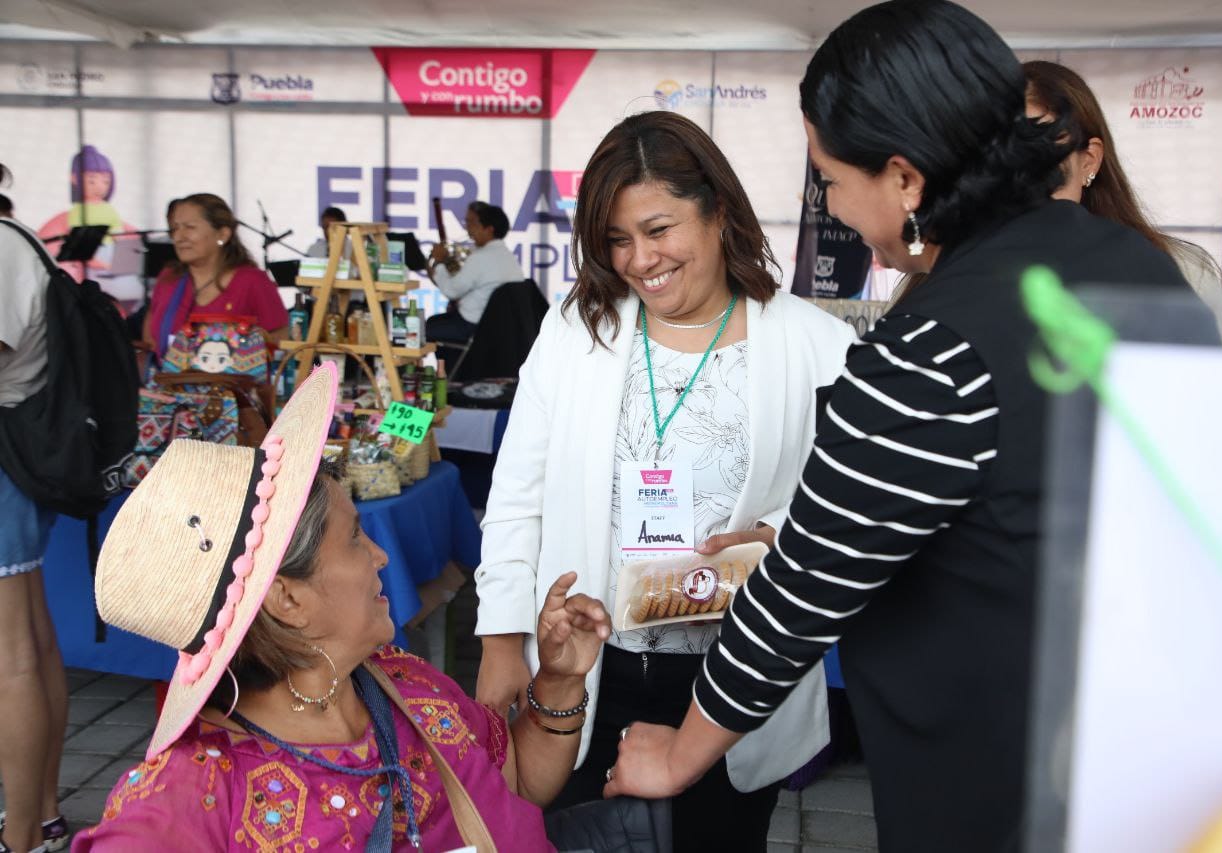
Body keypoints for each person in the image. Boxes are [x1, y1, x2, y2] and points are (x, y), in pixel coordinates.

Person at [603, 3, 1195, 851]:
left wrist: (680, 752)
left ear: (907, 178)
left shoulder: (933, 345)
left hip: (1003, 772)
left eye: (833, 181)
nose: (835, 207)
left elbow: (800, 594)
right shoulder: (1135, 265)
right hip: (1141, 749)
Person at [474, 110, 855, 852]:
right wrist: (499, 637)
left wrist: (776, 538)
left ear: (717, 212)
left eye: (659, 229)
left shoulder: (814, 344)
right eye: (617, 239)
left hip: (732, 682)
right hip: (583, 666)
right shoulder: (577, 329)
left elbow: (848, 511)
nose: (639, 259)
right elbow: (517, 486)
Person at [72, 362, 612, 851]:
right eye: (356, 538)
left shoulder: (406, 686)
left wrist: (560, 683)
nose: (380, 556)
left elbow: (516, 786)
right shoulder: (195, 794)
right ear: (287, 597)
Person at [1024, 60, 1222, 344]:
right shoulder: (965, 275)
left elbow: (1214, 382)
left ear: (1089, 160)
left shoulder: (1184, 271)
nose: (1021, 180)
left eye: (1042, 155)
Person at [0, 163, 71, 853]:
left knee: (11, 654)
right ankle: (41, 811)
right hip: (16, 456)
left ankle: (20, 833)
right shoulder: (14, 241)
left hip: (6, 458)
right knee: (30, 642)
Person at [142, 193, 288, 355]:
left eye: (190, 227)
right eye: (175, 228)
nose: (178, 237)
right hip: (170, 379)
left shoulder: (252, 281)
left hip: (234, 379)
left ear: (222, 235)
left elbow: (282, 336)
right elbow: (151, 337)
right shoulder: (169, 278)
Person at [425, 202, 523, 344]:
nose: (468, 228)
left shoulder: (481, 257)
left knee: (422, 330)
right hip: (498, 325)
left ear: (489, 229)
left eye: (472, 223)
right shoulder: (506, 255)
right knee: (433, 322)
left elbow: (452, 291)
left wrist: (439, 262)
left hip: (474, 325)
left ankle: (449, 366)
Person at [36, 145, 136, 282]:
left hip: (111, 256)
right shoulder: (78, 212)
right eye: (92, 181)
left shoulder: (109, 209)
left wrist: (121, 259)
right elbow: (80, 243)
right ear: (74, 179)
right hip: (92, 260)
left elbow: (120, 234)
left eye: (106, 181)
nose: (100, 187)